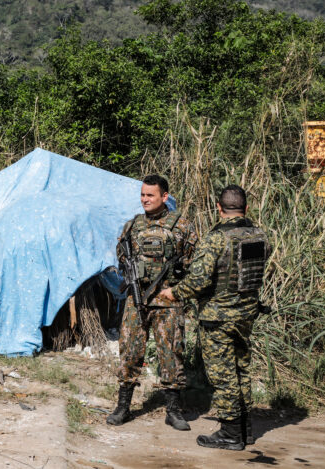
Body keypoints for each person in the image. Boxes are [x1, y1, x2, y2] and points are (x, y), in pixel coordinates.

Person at [159, 184, 269, 450]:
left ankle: (230, 434)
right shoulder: (260, 235)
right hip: (246, 315)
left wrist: (173, 292)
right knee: (241, 370)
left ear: (219, 208)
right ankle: (245, 429)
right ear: (246, 207)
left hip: (218, 318)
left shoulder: (215, 238)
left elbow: (197, 281)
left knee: (223, 376)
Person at [107, 175, 197, 431]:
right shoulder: (132, 226)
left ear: (164, 197)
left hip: (168, 302)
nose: (145, 199)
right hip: (137, 301)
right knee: (130, 352)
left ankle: (174, 410)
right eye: (143, 195)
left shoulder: (182, 226)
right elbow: (122, 256)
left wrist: (177, 289)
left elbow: (193, 264)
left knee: (171, 354)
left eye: (151, 195)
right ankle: (123, 407)